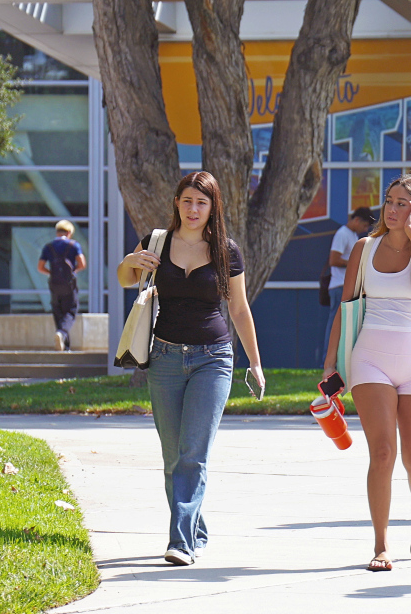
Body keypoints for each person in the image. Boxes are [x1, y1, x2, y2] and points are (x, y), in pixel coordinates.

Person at [116, 171, 265, 566]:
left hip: (213, 358)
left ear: (213, 206)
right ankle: (194, 526)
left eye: (202, 202)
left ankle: (180, 541)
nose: (193, 209)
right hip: (164, 356)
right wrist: (130, 261)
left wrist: (255, 361)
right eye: (187, 201)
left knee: (193, 454)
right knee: (172, 455)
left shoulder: (226, 251)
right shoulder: (156, 243)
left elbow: (238, 307)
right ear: (176, 203)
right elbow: (126, 278)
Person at [322, 174, 411, 572]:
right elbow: (346, 306)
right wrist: (331, 362)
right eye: (389, 201)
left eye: (403, 203)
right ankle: (381, 545)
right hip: (370, 359)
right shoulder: (363, 248)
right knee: (383, 453)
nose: (392, 209)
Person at [323, 207, 376, 358]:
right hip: (339, 286)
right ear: (357, 219)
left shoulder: (352, 235)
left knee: (348, 326)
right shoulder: (342, 234)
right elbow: (334, 259)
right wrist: (355, 263)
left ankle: (341, 358)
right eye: (365, 225)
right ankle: (327, 361)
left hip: (348, 286)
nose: (365, 229)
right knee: (335, 325)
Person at [38, 220, 86, 351]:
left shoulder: (48, 247)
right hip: (69, 285)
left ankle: (66, 346)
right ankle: (62, 334)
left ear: (57, 232)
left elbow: (40, 267)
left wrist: (51, 273)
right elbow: (82, 263)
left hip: (54, 284)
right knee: (70, 310)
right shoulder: (74, 245)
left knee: (58, 311)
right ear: (69, 232)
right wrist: (73, 271)